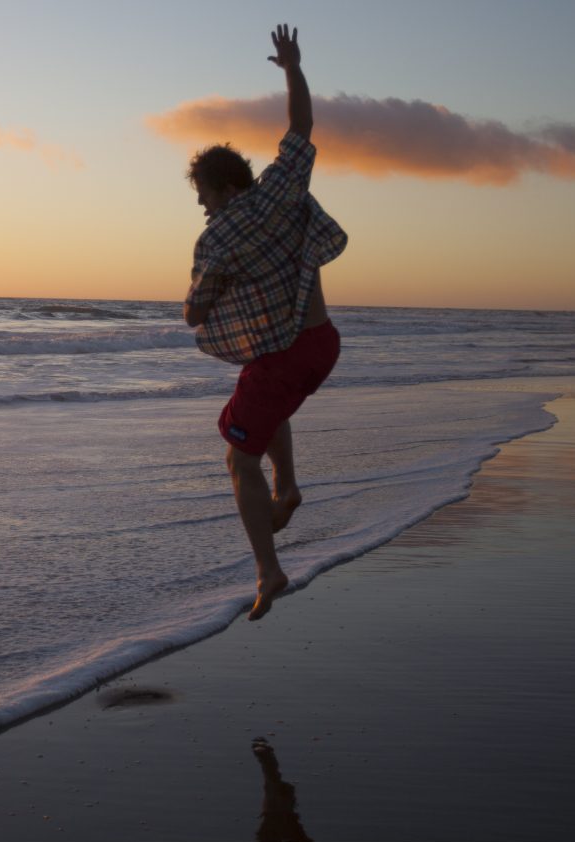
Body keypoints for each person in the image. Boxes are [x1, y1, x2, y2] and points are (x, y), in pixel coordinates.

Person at [183, 24, 349, 621]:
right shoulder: (281, 189)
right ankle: (288, 489)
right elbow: (301, 128)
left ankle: (269, 571)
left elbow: (194, 312)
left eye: (203, 196)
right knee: (261, 386)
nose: (202, 207)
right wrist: (292, 67)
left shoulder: (219, 235)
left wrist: (207, 297)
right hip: (323, 343)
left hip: (288, 355)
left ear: (224, 189)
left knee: (237, 457)